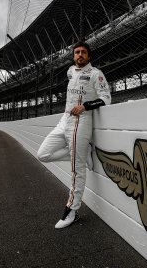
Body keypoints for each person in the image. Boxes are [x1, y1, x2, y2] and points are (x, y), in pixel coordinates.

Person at [36, 41, 111, 229]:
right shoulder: (70, 71)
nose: (79, 55)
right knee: (43, 154)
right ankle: (82, 152)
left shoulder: (96, 74)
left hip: (82, 121)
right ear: (73, 56)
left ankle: (72, 210)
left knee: (77, 171)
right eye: (77, 52)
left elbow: (106, 98)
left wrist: (85, 106)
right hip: (65, 120)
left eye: (83, 52)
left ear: (89, 56)